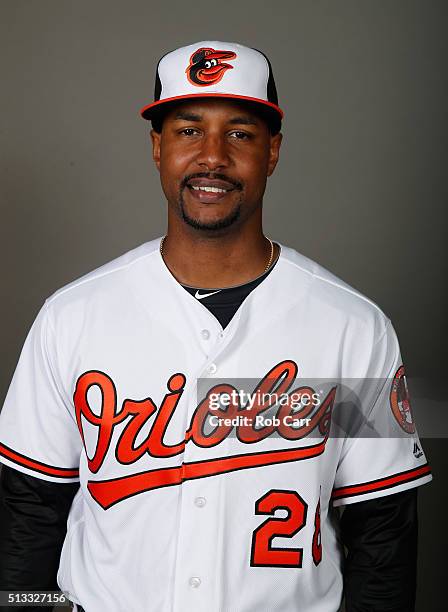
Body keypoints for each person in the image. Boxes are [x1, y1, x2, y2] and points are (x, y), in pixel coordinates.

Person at [0, 40, 432, 612]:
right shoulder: (71, 316)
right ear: (157, 147)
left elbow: (383, 536)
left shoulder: (354, 327)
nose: (212, 157)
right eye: (187, 130)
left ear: (273, 151)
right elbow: (30, 512)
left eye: (240, 133)